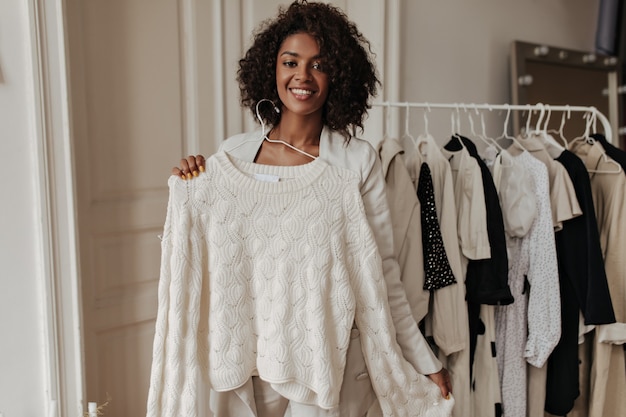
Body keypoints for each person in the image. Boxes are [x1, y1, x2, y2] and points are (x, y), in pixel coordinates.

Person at [153, 1, 452, 416]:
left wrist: (424, 359)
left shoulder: (355, 162)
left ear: (338, 76)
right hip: (244, 356)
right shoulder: (232, 154)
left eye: (319, 64)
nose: (302, 76)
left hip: (323, 357)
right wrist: (190, 184)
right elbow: (199, 246)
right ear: (270, 69)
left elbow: (381, 274)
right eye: (290, 61)